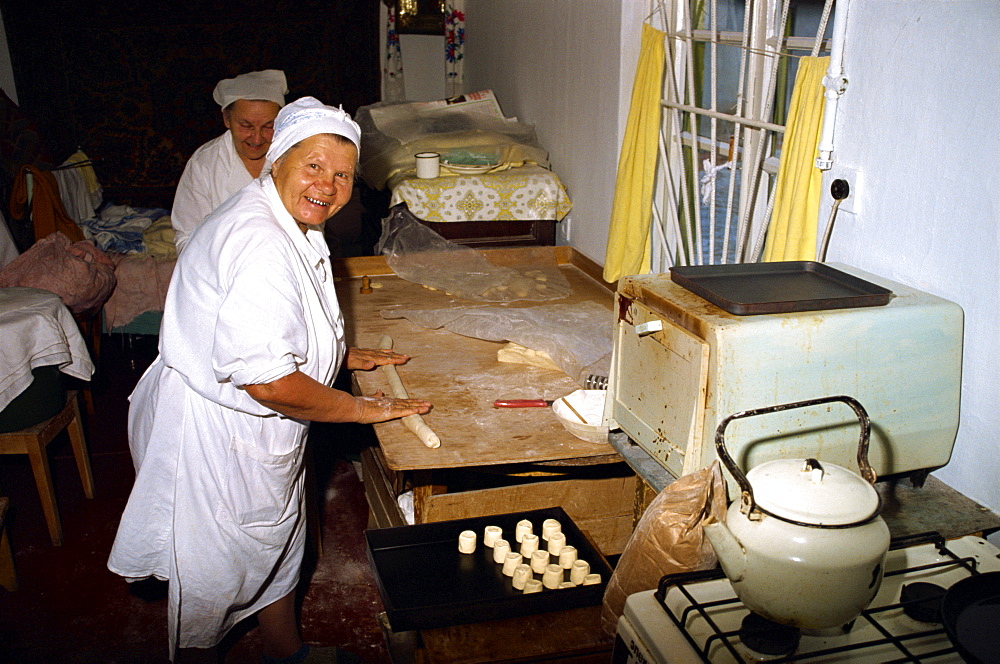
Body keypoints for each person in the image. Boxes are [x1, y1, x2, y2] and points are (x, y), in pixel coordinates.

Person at [108, 96, 433, 664]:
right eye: (313, 166)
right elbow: (270, 383)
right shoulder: (259, 240)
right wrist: (361, 410)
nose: (327, 186)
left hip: (251, 431)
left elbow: (269, 323)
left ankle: (287, 651)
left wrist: (338, 354)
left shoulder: (282, 214)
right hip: (222, 436)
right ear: (277, 160)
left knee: (278, 546)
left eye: (342, 174)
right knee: (215, 577)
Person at [170, 69, 288, 254]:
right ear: (226, 119)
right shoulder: (204, 164)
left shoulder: (292, 158)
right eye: (246, 126)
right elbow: (187, 239)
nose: (257, 139)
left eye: (268, 127)